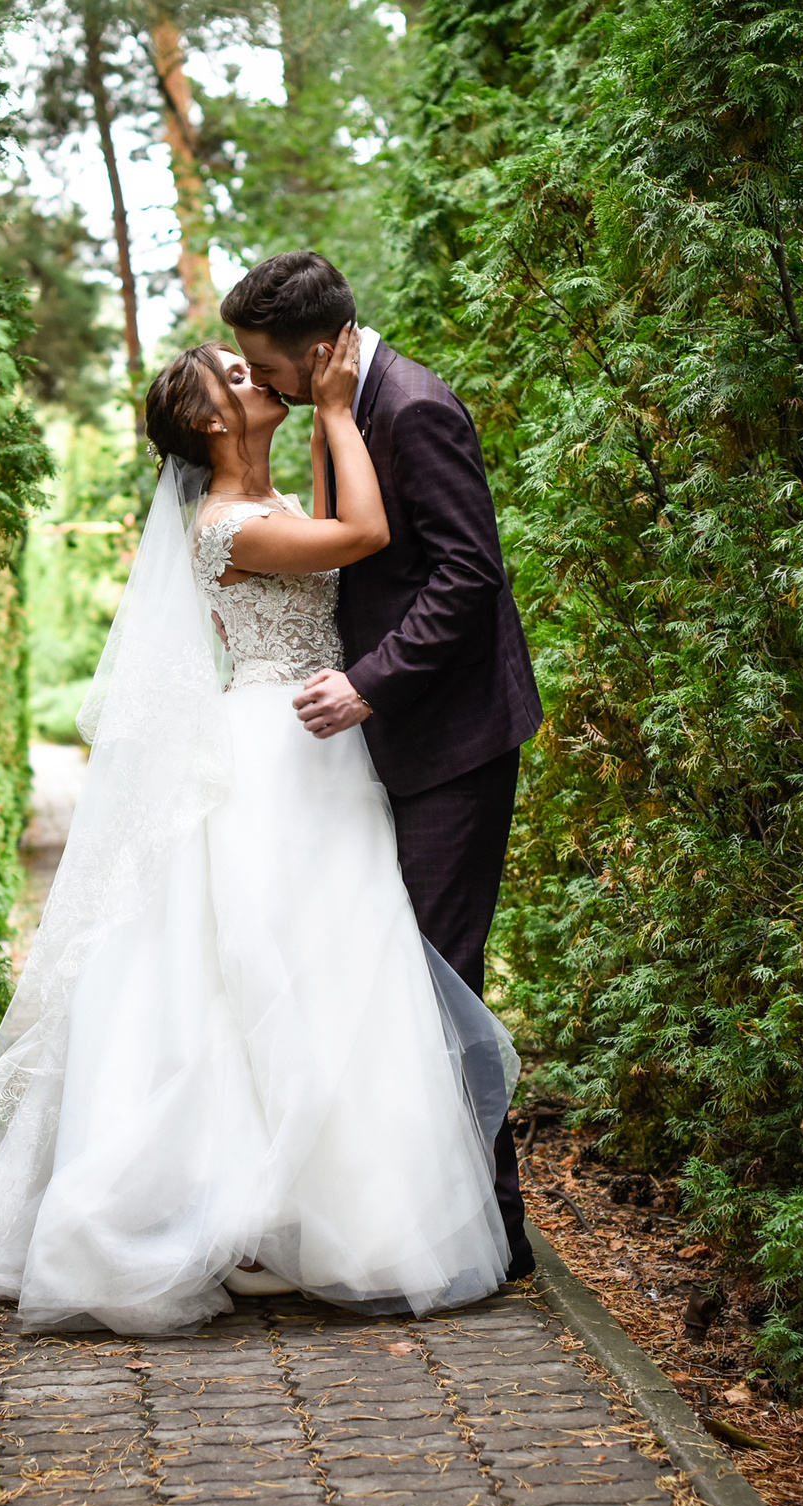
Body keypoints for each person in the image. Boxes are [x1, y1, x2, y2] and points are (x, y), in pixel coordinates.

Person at [0, 329, 517, 1336]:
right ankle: (235, 1218)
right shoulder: (226, 526)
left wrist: (326, 422)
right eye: (239, 376)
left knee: (333, 977)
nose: (262, 378)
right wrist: (334, 408)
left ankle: (299, 1219)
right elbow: (362, 534)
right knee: (261, 977)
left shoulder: (270, 501)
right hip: (272, 755)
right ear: (207, 421)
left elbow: (342, 527)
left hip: (322, 753)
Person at [220, 252, 545, 1278]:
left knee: (438, 974)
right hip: (379, 743)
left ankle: (488, 1230)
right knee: (398, 977)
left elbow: (466, 575)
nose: (261, 387)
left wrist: (368, 682)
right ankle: (456, 1220)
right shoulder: (342, 405)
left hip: (450, 736)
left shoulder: (412, 409)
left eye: (266, 371)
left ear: (317, 354)